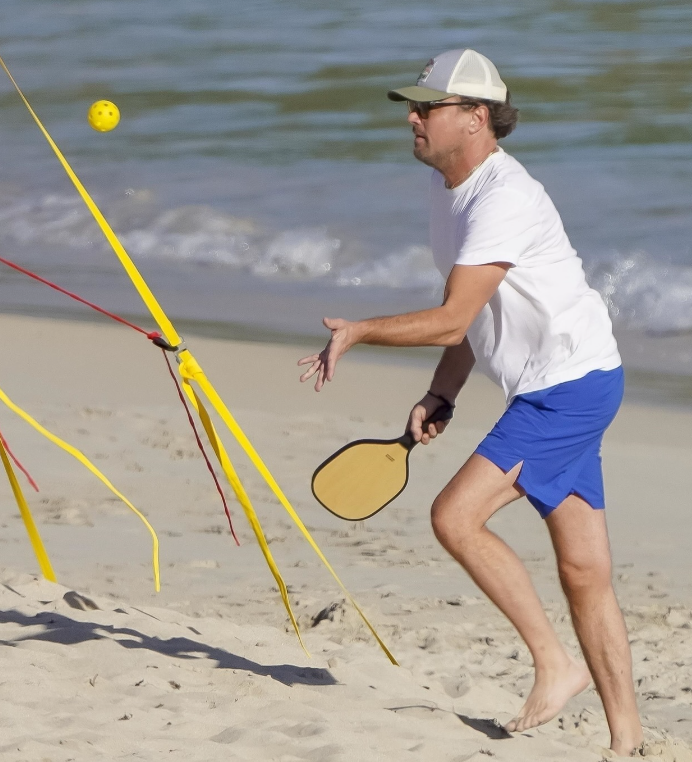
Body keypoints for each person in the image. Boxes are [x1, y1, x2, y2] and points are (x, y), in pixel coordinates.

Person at [298, 48, 643, 756]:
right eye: (412, 107)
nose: (414, 119)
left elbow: (452, 319)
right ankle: (629, 739)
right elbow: (476, 316)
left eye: (429, 107)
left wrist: (361, 331)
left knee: (455, 517)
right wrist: (442, 391)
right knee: (584, 571)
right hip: (568, 382)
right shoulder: (449, 191)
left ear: (477, 119)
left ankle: (556, 665)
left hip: (566, 390)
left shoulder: (503, 197)